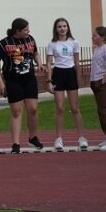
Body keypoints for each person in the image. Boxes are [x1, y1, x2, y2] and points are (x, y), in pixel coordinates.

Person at [0, 18, 47, 154]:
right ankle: (16, 143)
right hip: (12, 80)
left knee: (33, 109)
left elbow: (35, 53)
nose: (28, 31)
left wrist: (39, 63)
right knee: (16, 111)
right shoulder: (4, 43)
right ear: (17, 31)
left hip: (29, 79)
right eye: (26, 29)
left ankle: (33, 137)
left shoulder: (30, 39)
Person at [45, 18, 87, 151]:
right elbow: (49, 63)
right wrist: (49, 81)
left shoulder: (74, 42)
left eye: (64, 26)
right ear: (56, 29)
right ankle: (58, 138)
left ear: (68, 28)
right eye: (59, 27)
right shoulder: (52, 44)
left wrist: (78, 77)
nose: (62, 29)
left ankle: (81, 137)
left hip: (70, 73)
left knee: (75, 108)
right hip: (58, 73)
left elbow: (77, 61)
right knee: (60, 108)